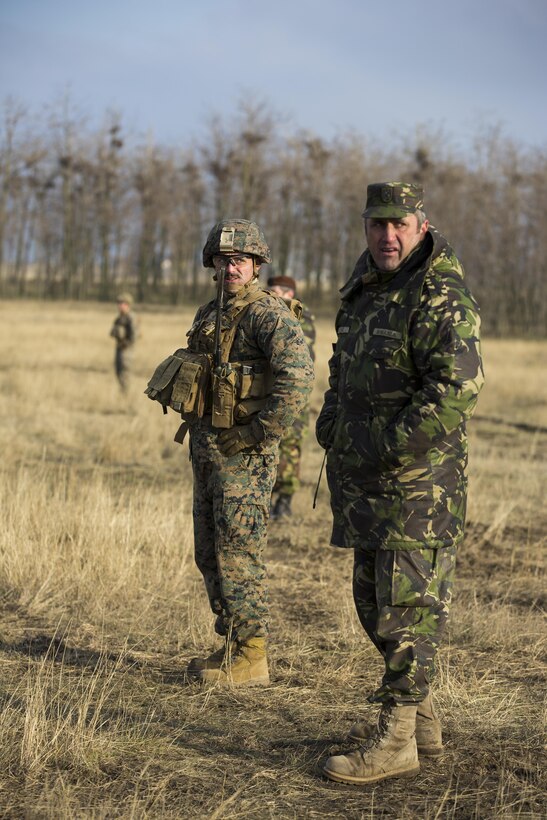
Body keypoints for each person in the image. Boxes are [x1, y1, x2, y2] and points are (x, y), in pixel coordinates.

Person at [316, 182, 484, 785]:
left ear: (421, 225)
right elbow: (343, 363)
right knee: (372, 602)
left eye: (399, 225)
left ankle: (396, 740)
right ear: (365, 227)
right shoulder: (364, 289)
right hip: (365, 483)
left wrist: (387, 446)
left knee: (405, 610)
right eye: (377, 224)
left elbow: (457, 388)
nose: (387, 236)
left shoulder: (438, 291)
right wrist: (332, 418)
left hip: (418, 488)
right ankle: (423, 717)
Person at [147, 219, 313, 686]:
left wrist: (260, 432)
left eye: (240, 260)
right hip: (207, 447)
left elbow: (297, 380)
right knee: (210, 552)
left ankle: (252, 656)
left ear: (257, 265)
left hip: (243, 455)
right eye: (223, 259)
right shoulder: (210, 312)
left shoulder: (269, 315)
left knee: (239, 553)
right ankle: (232, 643)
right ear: (211, 264)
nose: (231, 267)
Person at [267, 275, 316, 519]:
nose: (273, 294)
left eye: (278, 291)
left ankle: (285, 499)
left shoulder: (302, 317)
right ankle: (267, 498)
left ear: (290, 294)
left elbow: (297, 352)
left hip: (294, 398)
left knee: (290, 448)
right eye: (270, 290)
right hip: (266, 395)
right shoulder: (263, 313)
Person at [110, 292, 137, 392]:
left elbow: (134, 335)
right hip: (119, 348)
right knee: (118, 371)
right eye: (119, 303)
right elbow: (112, 333)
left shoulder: (131, 318)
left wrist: (126, 343)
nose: (119, 306)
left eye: (122, 303)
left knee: (125, 373)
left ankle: (125, 393)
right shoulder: (119, 318)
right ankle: (123, 392)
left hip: (126, 350)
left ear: (128, 305)